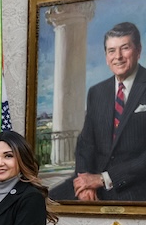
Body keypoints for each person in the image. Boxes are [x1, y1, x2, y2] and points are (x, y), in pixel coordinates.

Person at [50, 22, 146, 201]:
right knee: (44, 201)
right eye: (111, 51)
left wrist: (104, 179)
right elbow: (85, 144)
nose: (118, 57)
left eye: (125, 48)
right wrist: (85, 181)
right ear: (106, 56)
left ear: (138, 50)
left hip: (134, 184)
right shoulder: (97, 92)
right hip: (93, 180)